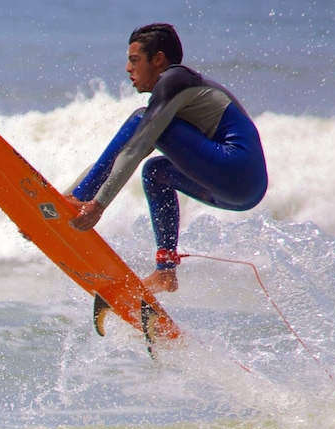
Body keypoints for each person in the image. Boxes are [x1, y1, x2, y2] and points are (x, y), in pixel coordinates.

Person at [64, 23, 268, 293]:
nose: (128, 69)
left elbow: (134, 149)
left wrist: (97, 204)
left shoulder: (173, 81)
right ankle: (165, 272)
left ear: (158, 59)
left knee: (139, 121)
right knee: (155, 172)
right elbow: (123, 156)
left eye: (134, 60)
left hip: (234, 166)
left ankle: (77, 199)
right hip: (244, 191)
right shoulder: (178, 97)